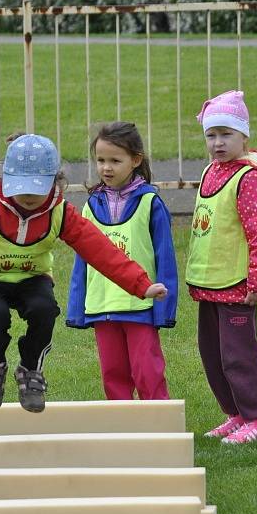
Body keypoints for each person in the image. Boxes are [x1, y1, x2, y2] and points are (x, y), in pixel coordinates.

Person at [0, 133, 167, 413]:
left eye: (37, 188)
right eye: (20, 187)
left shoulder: (60, 212)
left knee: (44, 310)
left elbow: (102, 252)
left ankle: (31, 370)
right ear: (4, 177)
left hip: (32, 279)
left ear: (55, 181)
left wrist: (141, 285)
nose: (28, 196)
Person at [186, 90, 257, 443]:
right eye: (211, 135)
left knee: (238, 356)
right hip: (209, 284)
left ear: (245, 135)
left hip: (237, 287)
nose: (218, 143)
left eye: (226, 134)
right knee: (212, 355)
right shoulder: (211, 171)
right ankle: (236, 414)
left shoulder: (248, 179)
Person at [66, 121, 177, 400]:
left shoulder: (150, 203)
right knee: (112, 373)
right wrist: (77, 307)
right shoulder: (91, 205)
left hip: (140, 304)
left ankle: (159, 425)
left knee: (147, 370)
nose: (106, 168)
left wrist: (165, 308)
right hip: (103, 305)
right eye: (101, 160)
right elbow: (82, 261)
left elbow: (165, 257)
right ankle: (123, 427)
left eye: (115, 160)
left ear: (135, 160)